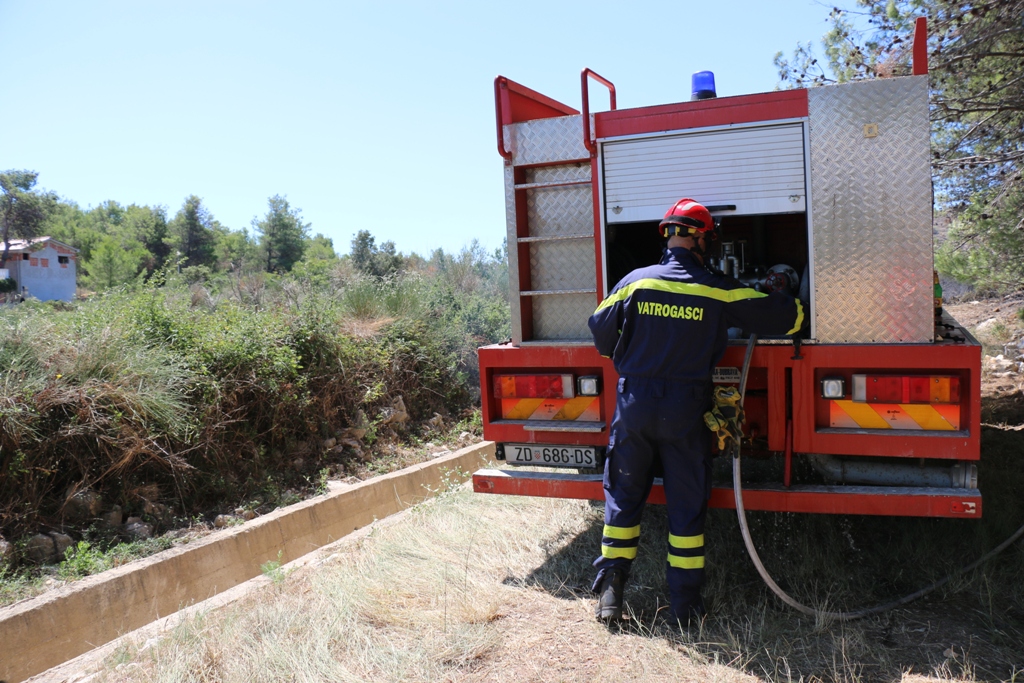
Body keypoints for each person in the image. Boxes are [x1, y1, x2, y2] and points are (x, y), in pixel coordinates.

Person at [588, 197, 804, 625]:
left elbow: (599, 330)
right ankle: (684, 609)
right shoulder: (717, 286)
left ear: (667, 236)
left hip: (633, 404)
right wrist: (787, 295)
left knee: (623, 497)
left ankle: (611, 595)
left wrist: (634, 354)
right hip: (684, 410)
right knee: (686, 506)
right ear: (702, 239)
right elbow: (785, 320)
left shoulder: (634, 282)